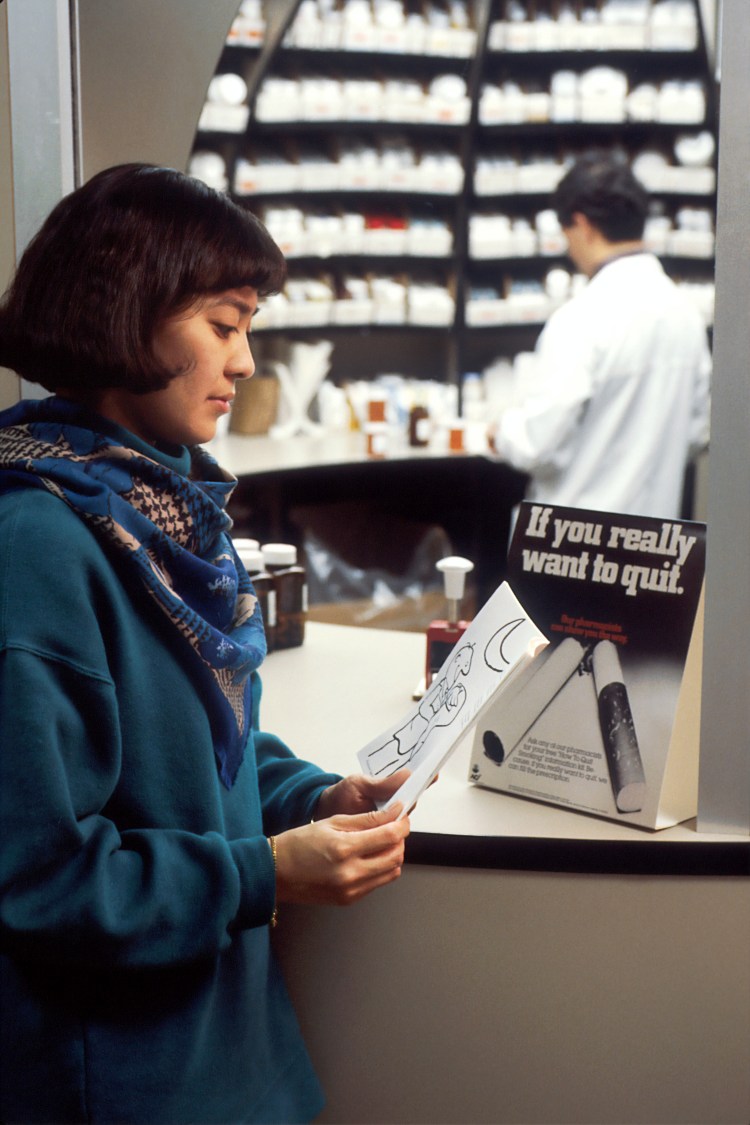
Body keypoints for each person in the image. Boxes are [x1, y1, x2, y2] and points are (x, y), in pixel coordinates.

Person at [0, 163, 411, 1125]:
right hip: (119, 1087)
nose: (246, 363)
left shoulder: (172, 509)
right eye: (224, 326)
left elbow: (206, 753)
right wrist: (263, 874)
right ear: (127, 311)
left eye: (248, 329)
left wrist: (311, 797)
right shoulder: (38, 548)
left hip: (236, 1060)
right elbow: (38, 880)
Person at [491, 152, 711, 519]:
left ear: (581, 225)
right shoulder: (686, 315)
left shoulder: (581, 318)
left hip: (574, 551)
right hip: (656, 545)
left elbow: (537, 445)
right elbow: (696, 432)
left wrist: (500, 432)